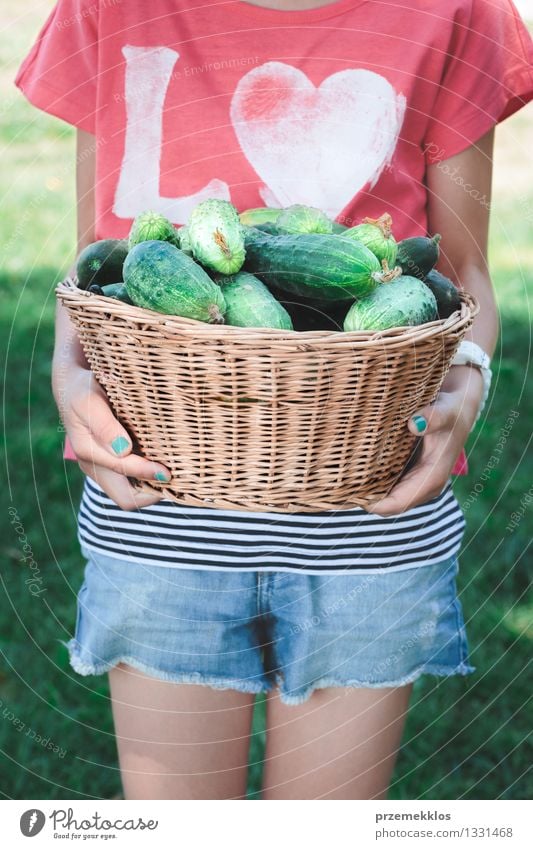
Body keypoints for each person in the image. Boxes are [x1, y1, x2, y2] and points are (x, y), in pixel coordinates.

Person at [16, 0, 532, 800]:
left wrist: (467, 381)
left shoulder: (458, 9)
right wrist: (68, 375)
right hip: (158, 499)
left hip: (369, 509)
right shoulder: (107, 5)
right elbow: (98, 262)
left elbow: (463, 275)